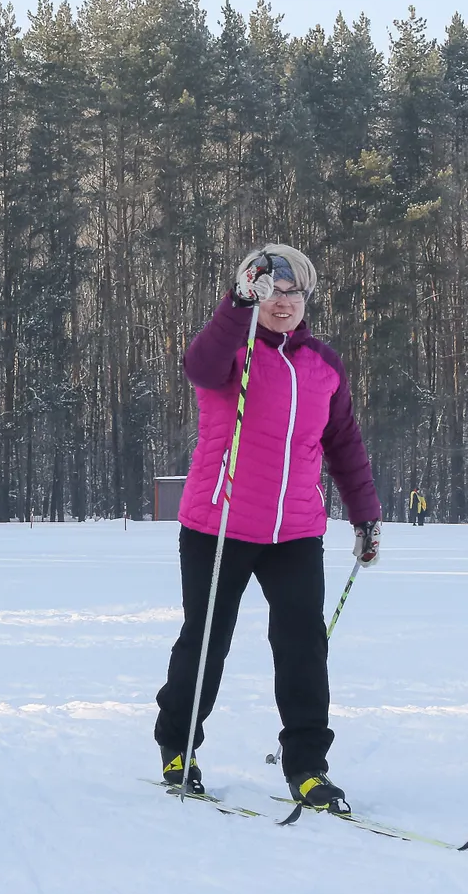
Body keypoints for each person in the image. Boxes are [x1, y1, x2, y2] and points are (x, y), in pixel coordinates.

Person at [153, 243, 382, 808]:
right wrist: (235, 304)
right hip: (219, 525)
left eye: (293, 293)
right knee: (206, 640)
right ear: (253, 297)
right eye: (271, 293)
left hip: (295, 533)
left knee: (303, 647)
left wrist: (364, 515)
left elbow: (344, 443)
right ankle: (178, 748)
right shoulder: (232, 352)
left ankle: (307, 768)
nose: (283, 303)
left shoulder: (323, 365)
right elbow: (199, 365)